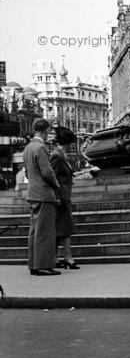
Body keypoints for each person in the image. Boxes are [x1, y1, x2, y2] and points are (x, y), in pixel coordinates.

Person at [23, 118, 61, 276]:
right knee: (45, 231)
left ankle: (34, 264)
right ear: (45, 130)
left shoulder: (28, 148)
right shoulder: (41, 148)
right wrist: (56, 185)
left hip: (32, 192)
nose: (48, 135)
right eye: (48, 132)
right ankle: (43, 265)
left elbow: (27, 172)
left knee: (34, 231)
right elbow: (47, 172)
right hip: (44, 194)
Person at [50, 126, 79, 270]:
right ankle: (68, 258)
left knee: (59, 229)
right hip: (61, 197)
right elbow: (52, 177)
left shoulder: (61, 154)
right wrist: (57, 197)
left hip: (63, 196)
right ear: (69, 142)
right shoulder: (57, 155)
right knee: (66, 229)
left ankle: (55, 258)